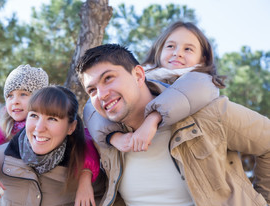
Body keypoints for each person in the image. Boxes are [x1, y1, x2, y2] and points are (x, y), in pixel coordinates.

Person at [76, 43, 270, 206]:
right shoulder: (108, 143)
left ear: (138, 75)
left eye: (108, 78)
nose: (101, 94)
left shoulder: (208, 116)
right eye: (92, 90)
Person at [0, 65, 100, 206]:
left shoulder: (70, 139)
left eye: (23, 94)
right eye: (10, 95)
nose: (15, 101)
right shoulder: (4, 130)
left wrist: (85, 176)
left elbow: (86, 146)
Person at [83, 21, 224, 153]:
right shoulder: (138, 79)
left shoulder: (203, 83)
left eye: (188, 49)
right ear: (159, 50)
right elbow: (92, 108)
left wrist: (153, 118)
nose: (178, 53)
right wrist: (113, 136)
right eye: (170, 46)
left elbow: (185, 95)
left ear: (203, 58)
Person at [0, 85, 105, 206]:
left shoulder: (83, 170)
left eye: (52, 118)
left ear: (71, 127)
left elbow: (102, 205)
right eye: (34, 115)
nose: (39, 127)